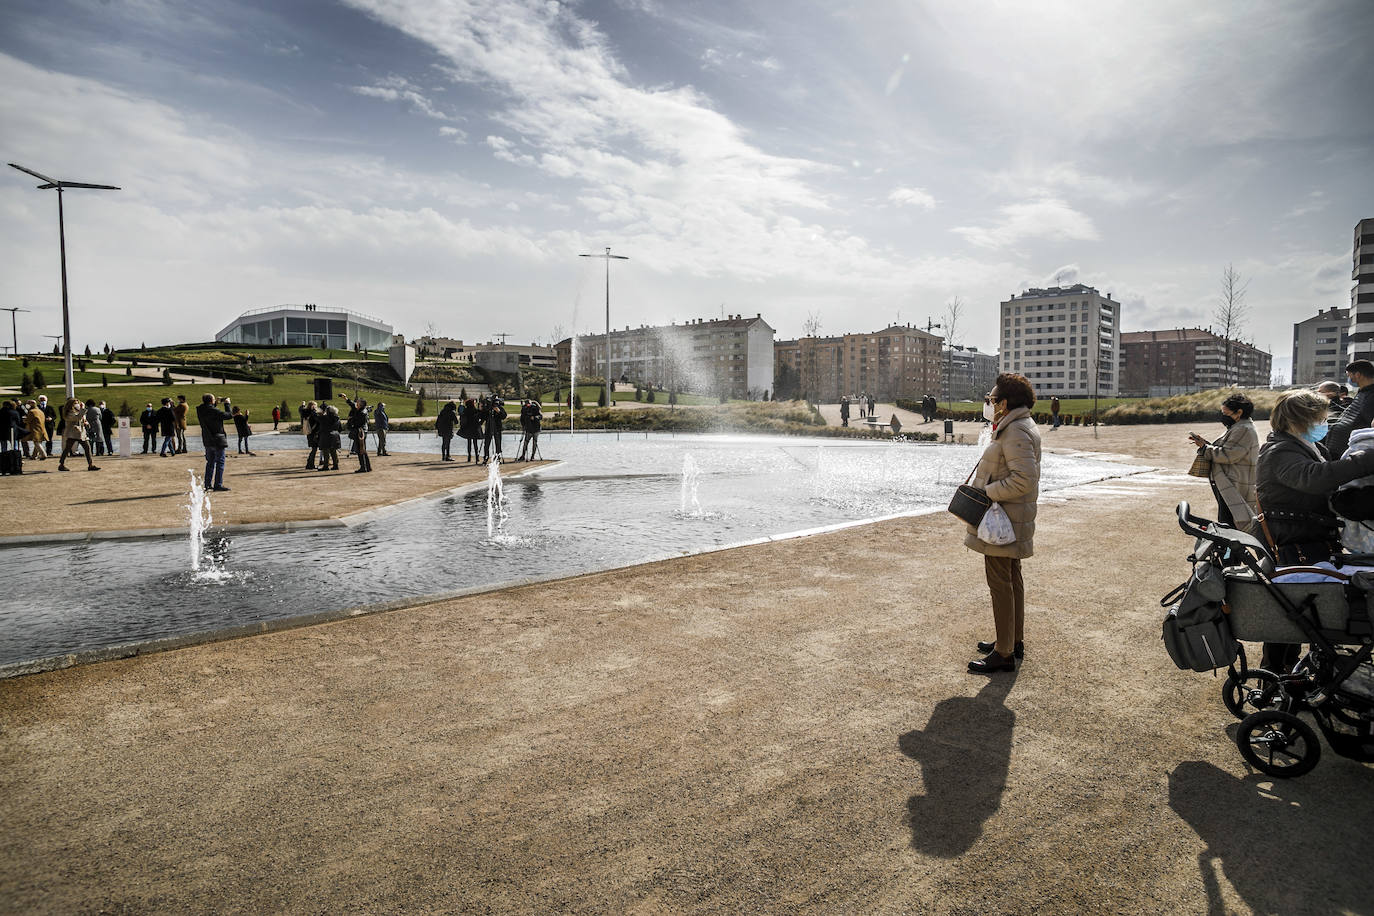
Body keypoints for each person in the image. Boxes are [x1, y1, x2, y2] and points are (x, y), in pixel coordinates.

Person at [1255, 390, 1374, 672]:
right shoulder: (1279, 452)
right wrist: (1368, 459)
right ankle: (1274, 676)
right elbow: (1316, 478)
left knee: (1305, 614)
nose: (1325, 424)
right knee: (1290, 617)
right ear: (1300, 420)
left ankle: (1301, 673)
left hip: (1310, 541)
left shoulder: (1305, 446)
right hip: (1291, 545)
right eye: (1320, 419)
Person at [964, 373, 1041, 674]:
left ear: (1005, 403)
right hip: (1011, 517)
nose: (990, 402)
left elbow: (1024, 479)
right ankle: (1011, 640)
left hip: (1003, 520)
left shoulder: (1016, 432)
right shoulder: (1017, 426)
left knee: (1000, 583)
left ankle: (1004, 653)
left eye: (993, 398)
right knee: (1011, 579)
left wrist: (987, 492)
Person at [1188, 393, 1258, 529]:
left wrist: (1204, 448)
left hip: (1234, 483)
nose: (1223, 416)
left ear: (1239, 412)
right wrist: (1205, 445)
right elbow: (1227, 450)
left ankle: (1231, 550)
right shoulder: (1239, 427)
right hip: (1231, 480)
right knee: (1229, 520)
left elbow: (1228, 455)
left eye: (1226, 413)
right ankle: (1230, 549)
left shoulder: (1243, 429)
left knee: (1231, 523)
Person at [1324, 359, 1374, 458]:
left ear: (1358, 375)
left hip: (1351, 452)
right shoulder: (1363, 392)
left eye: (1349, 375)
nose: (1349, 379)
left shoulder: (1371, 395)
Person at [195, 394, 233, 491]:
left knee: (210, 463)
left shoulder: (200, 410)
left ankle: (207, 484)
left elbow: (209, 411)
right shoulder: (214, 411)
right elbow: (228, 415)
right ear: (211, 401)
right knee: (220, 462)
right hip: (217, 439)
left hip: (207, 439)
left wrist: (215, 403)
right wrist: (227, 404)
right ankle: (218, 484)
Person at [58, 396, 99, 471]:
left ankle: (90, 465)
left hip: (81, 433)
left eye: (77, 403)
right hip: (72, 433)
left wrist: (85, 422)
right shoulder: (68, 412)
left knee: (87, 447)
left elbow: (81, 418)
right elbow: (77, 418)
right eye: (75, 403)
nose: (77, 404)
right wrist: (82, 409)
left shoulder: (78, 410)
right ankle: (61, 464)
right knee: (67, 449)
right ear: (70, 405)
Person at [346, 397, 371, 473]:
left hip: (359, 432)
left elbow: (356, 422)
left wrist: (350, 419)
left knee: (360, 450)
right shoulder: (363, 410)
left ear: (361, 404)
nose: (356, 403)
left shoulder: (361, 412)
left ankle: (363, 467)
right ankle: (367, 467)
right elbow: (353, 405)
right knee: (363, 449)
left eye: (358, 402)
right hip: (363, 431)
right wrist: (346, 399)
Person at [316, 404, 342, 471]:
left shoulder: (324, 418)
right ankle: (336, 465)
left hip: (326, 435)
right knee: (333, 451)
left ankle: (326, 466)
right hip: (335, 435)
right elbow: (340, 429)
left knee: (326, 451)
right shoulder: (337, 418)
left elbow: (317, 417)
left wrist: (320, 412)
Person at [484, 397, 507, 461]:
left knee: (498, 443)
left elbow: (504, 416)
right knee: (486, 443)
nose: (495, 405)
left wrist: (499, 411)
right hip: (489, 427)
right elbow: (483, 416)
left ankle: (498, 457)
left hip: (497, 428)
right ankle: (486, 456)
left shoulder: (500, 408)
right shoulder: (489, 409)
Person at [459, 398, 481, 462]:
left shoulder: (465, 410)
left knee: (469, 443)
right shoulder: (475, 410)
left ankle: (469, 457)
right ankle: (477, 457)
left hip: (468, 428)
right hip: (474, 428)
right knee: (475, 443)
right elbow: (479, 417)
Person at [302, 401, 320, 469]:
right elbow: (318, 421)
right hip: (314, 433)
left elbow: (301, 409)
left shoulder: (305, 413)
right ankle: (310, 464)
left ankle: (310, 463)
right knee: (314, 449)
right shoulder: (313, 414)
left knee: (314, 449)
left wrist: (303, 405)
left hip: (309, 433)